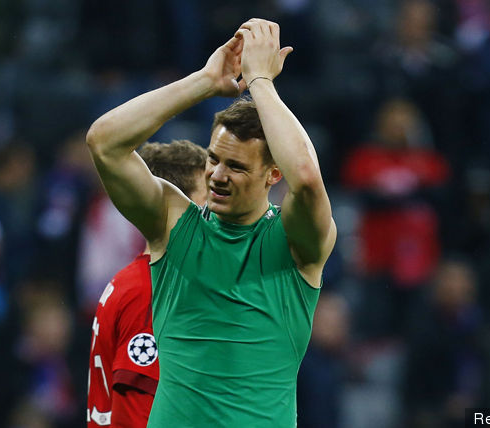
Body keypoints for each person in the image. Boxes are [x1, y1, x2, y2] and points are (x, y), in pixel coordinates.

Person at [86, 18, 336, 427]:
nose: (217, 175)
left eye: (235, 166)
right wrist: (204, 80)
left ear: (273, 175)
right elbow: (104, 143)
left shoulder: (295, 243)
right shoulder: (173, 224)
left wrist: (260, 81)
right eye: (213, 159)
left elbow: (307, 178)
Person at [87, 140, 208, 427]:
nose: (217, 214)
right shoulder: (151, 290)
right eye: (208, 200)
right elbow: (136, 413)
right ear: (177, 207)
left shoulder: (134, 280)